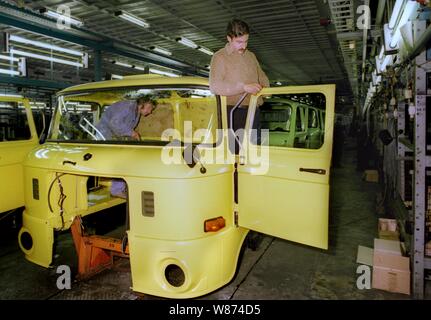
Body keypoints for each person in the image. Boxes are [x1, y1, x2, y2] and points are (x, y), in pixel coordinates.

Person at [209, 18, 269, 153]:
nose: (244, 46)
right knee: (234, 154)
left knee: (254, 154)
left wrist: (266, 89)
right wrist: (243, 87)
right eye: (239, 42)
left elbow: (262, 77)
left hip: (254, 111)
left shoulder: (251, 56)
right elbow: (215, 86)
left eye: (246, 41)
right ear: (229, 38)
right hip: (233, 113)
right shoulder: (220, 57)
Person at [96, 95, 156, 198]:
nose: (150, 112)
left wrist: (131, 134)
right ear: (142, 104)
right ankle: (116, 190)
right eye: (149, 108)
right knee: (123, 160)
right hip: (105, 135)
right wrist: (132, 133)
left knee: (126, 158)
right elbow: (115, 123)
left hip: (112, 136)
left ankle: (120, 187)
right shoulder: (128, 107)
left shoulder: (135, 112)